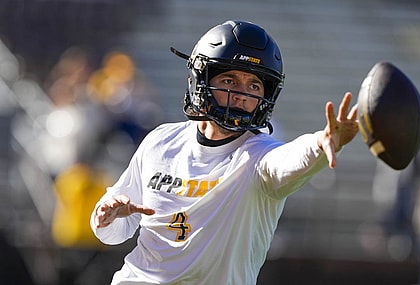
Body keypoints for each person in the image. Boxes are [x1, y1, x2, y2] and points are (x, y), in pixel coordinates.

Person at [90, 20, 359, 285]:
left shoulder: (259, 158)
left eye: (254, 85)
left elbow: (289, 160)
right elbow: (113, 232)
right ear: (201, 80)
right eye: (230, 80)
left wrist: (321, 142)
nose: (242, 94)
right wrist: (105, 215)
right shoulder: (161, 142)